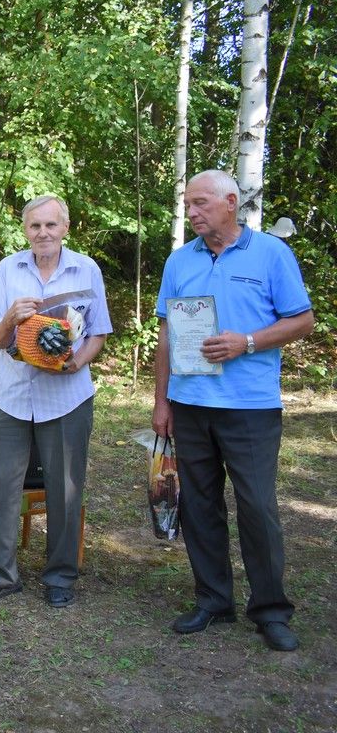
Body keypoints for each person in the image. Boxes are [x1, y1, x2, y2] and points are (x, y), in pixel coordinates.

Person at [153, 170, 314, 652]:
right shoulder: (180, 261)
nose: (192, 212)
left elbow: (302, 320)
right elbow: (165, 334)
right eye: (187, 204)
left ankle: (270, 610)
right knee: (199, 505)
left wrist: (247, 342)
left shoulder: (271, 253)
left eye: (200, 202)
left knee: (258, 507)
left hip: (250, 406)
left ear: (230, 202)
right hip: (190, 403)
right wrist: (161, 401)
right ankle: (213, 599)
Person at [0, 194, 111, 608]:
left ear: (65, 227)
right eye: (35, 226)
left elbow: (98, 332)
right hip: (12, 397)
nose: (43, 233)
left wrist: (76, 363)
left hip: (67, 396)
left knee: (65, 490)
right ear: (26, 230)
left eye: (51, 225)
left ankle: (61, 575)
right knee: (1, 489)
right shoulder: (8, 268)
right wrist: (11, 318)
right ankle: (1, 575)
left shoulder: (87, 268)